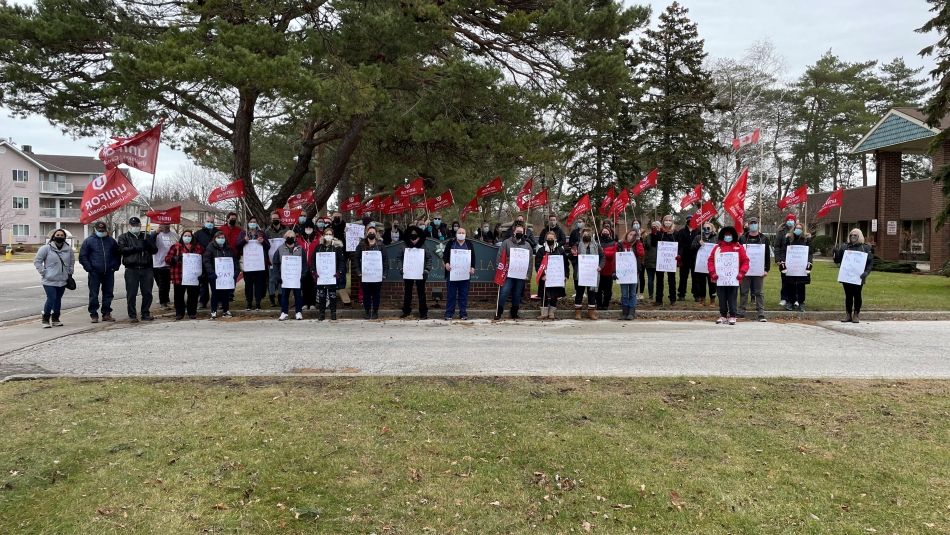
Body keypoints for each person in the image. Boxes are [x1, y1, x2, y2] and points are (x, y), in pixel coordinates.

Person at [117, 216, 158, 322]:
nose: (135, 227)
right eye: (133, 225)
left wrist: (147, 244)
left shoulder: (146, 236)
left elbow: (155, 250)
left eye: (137, 225)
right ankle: (132, 315)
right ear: (129, 226)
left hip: (146, 268)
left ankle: (145, 313)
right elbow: (121, 250)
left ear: (140, 226)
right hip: (132, 269)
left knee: (147, 293)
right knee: (131, 293)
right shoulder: (123, 237)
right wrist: (136, 248)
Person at [707, 226, 750, 325]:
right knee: (721, 297)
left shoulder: (738, 247)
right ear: (722, 236)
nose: (728, 236)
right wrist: (712, 273)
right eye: (726, 235)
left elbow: (745, 261)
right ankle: (722, 315)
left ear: (733, 236)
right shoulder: (717, 248)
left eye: (730, 235)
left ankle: (732, 316)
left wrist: (741, 273)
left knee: (732, 297)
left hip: (734, 279)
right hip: (720, 278)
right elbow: (710, 260)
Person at [79, 221, 120, 323]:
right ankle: (94, 314)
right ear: (95, 229)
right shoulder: (88, 241)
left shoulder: (111, 241)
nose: (101, 231)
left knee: (108, 294)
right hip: (94, 272)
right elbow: (83, 256)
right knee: (94, 294)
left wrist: (115, 266)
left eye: (103, 230)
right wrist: (89, 268)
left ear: (106, 230)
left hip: (109, 272)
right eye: (99, 230)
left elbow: (117, 255)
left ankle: (106, 313)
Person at [33, 228, 74, 328]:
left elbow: (72, 262)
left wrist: (70, 272)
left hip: (62, 280)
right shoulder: (46, 248)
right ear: (53, 236)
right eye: (58, 235)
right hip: (49, 280)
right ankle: (45, 319)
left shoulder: (68, 249)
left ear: (65, 237)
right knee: (51, 298)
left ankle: (56, 318)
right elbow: (37, 261)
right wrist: (44, 272)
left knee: (58, 299)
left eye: (62, 235)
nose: (59, 237)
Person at [495, 221, 534, 320]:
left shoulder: (527, 245)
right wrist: (500, 269)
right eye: (518, 231)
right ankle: (499, 312)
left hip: (521, 275)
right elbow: (500, 257)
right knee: (504, 292)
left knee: (517, 294)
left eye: (521, 231)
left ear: (524, 232)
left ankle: (514, 313)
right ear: (514, 231)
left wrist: (528, 275)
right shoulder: (506, 242)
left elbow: (530, 262)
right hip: (508, 273)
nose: (519, 233)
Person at [833, 228, 874, 323]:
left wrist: (866, 272)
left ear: (859, 236)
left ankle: (856, 314)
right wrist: (835, 252)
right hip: (847, 276)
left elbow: (870, 262)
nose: (853, 237)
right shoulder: (844, 247)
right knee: (848, 295)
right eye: (851, 235)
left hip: (859, 277)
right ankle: (848, 314)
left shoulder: (865, 248)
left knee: (857, 295)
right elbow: (837, 260)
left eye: (855, 235)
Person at [165, 230, 204, 320]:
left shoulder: (197, 247)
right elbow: (167, 259)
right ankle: (179, 313)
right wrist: (174, 259)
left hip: (193, 276)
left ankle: (192, 312)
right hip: (179, 275)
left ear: (192, 237)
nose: (187, 237)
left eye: (189, 236)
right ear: (182, 237)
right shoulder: (176, 247)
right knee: (178, 296)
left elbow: (202, 259)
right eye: (185, 235)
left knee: (193, 295)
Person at [738, 217, 771, 322]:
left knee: (759, 292)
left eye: (755, 223)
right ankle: (741, 311)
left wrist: (766, 269)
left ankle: (761, 313)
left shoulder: (764, 238)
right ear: (748, 225)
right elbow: (738, 254)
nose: (753, 225)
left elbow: (767, 256)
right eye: (751, 223)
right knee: (744, 291)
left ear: (758, 224)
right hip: (745, 270)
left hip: (758, 270)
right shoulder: (743, 238)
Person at [776, 222, 812, 312]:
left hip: (802, 266)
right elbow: (784, 250)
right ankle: (790, 302)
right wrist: (782, 262)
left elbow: (810, 253)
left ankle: (801, 302)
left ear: (803, 230)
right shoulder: (789, 239)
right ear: (794, 229)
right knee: (790, 284)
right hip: (791, 265)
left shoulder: (806, 240)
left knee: (801, 285)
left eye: (800, 228)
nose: (798, 230)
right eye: (797, 228)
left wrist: (809, 263)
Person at [354, 224, 388, 319]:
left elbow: (385, 260)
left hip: (377, 275)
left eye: (373, 232)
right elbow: (356, 259)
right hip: (365, 275)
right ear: (366, 233)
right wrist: (358, 272)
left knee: (376, 294)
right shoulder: (361, 245)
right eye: (370, 232)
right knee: (366, 294)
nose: (371, 234)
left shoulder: (381, 245)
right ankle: (367, 311)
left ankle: (375, 311)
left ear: (376, 234)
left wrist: (384, 274)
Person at [399, 226, 433, 319]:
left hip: (420, 273)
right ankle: (406, 311)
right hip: (408, 273)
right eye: (412, 234)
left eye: (415, 234)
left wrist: (427, 269)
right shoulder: (404, 245)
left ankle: (423, 312)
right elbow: (399, 258)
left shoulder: (423, 245)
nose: (413, 236)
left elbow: (429, 258)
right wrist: (401, 269)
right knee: (407, 293)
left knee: (421, 293)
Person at [442, 226, 476, 320]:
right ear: (456, 234)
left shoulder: (469, 244)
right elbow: (445, 255)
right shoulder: (451, 243)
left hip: (464, 274)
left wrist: (472, 267)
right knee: (451, 294)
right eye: (459, 232)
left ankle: (463, 313)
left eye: (463, 233)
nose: (461, 234)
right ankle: (449, 313)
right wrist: (447, 263)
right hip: (452, 273)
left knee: (463, 295)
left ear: (465, 234)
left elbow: (473, 257)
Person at [536, 229, 570, 320]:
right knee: (544, 295)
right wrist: (542, 275)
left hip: (556, 277)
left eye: (552, 238)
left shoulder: (560, 251)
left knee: (555, 295)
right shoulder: (541, 250)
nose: (550, 240)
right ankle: (544, 313)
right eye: (548, 238)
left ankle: (551, 313)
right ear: (545, 239)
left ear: (555, 239)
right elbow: (538, 264)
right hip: (545, 277)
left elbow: (566, 264)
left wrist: (566, 275)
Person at [572, 226, 604, 319]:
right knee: (579, 293)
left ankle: (591, 313)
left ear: (591, 235)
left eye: (588, 234)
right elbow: (571, 257)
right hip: (580, 273)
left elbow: (602, 257)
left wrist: (600, 266)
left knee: (592, 293)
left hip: (592, 274)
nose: (586, 235)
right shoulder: (577, 245)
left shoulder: (596, 245)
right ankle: (578, 313)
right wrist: (573, 255)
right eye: (585, 234)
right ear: (582, 235)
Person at [312, 227, 345, 321]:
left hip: (332, 276)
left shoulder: (337, 247)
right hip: (321, 276)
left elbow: (341, 261)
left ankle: (333, 313)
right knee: (321, 294)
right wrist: (314, 271)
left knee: (332, 295)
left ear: (333, 236)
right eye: (327, 234)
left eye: (330, 234)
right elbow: (313, 259)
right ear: (323, 235)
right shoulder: (319, 247)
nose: (328, 236)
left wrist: (339, 271)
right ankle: (321, 313)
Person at [203, 230, 236, 319]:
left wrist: (235, 272)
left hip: (226, 275)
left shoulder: (228, 248)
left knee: (226, 293)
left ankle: (226, 310)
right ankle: (213, 311)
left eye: (223, 238)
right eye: (219, 238)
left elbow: (234, 260)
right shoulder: (210, 247)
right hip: (215, 275)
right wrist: (211, 272)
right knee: (215, 293)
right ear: (215, 238)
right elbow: (206, 260)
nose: (221, 239)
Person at [274, 230, 305, 321]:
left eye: (292, 236)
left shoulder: (300, 248)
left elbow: (304, 263)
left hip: (296, 277)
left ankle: (298, 312)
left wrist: (303, 274)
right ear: (285, 238)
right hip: (285, 278)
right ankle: (284, 312)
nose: (290, 238)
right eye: (288, 236)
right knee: (284, 295)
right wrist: (277, 275)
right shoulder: (280, 249)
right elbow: (275, 263)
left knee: (298, 295)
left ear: (295, 238)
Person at [242, 217, 271, 310]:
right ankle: (249, 303)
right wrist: (243, 241)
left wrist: (263, 242)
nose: (252, 223)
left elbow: (268, 246)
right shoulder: (244, 233)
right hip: (248, 264)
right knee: (248, 285)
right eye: (251, 222)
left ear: (257, 223)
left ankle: (258, 303)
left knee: (259, 285)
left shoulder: (261, 233)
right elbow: (238, 245)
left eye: (254, 222)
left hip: (259, 264)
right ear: (248, 223)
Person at [650, 215, 678, 306]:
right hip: (661, 260)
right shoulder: (659, 232)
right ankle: (658, 300)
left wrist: (679, 255)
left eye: (670, 220)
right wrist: (654, 234)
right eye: (666, 220)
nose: (668, 221)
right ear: (663, 221)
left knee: (672, 280)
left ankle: (673, 299)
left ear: (672, 222)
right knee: (659, 280)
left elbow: (678, 244)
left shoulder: (675, 233)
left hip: (671, 260)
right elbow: (653, 244)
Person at [618, 229, 645, 320]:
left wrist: (638, 242)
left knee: (632, 293)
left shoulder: (637, 244)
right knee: (624, 293)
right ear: (627, 235)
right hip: (623, 273)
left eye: (634, 235)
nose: (631, 236)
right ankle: (625, 312)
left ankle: (631, 312)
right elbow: (616, 258)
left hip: (634, 272)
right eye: (630, 234)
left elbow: (641, 253)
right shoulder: (620, 244)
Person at [150, 223, 178, 309]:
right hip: (158, 264)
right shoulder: (156, 235)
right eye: (163, 224)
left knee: (167, 284)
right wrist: (156, 232)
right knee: (162, 285)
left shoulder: (175, 235)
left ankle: (166, 300)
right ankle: (163, 302)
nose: (165, 226)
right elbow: (149, 242)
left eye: (167, 224)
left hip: (171, 263)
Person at [193, 214, 217, 309]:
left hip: (215, 262)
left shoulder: (218, 233)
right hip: (202, 262)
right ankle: (203, 301)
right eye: (208, 222)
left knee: (216, 282)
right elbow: (194, 246)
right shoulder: (198, 233)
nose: (210, 223)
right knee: (203, 283)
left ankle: (218, 301)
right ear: (204, 222)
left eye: (211, 222)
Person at [690, 223, 717, 306]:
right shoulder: (698, 237)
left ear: (712, 228)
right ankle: (702, 299)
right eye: (704, 228)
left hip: (712, 265)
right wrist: (699, 244)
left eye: (708, 228)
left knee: (712, 283)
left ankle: (712, 300)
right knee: (701, 283)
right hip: (701, 264)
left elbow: (720, 248)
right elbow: (692, 248)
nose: (706, 229)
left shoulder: (716, 238)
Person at [775, 213, 798, 307]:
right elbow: (777, 246)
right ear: (786, 221)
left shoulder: (797, 230)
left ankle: (795, 299)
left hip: (795, 259)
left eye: (792, 220)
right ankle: (784, 298)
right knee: (784, 279)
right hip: (784, 258)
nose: (790, 221)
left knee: (796, 280)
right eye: (789, 220)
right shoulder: (781, 231)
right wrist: (778, 259)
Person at [297, 221, 320, 310]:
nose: (308, 229)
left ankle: (312, 303)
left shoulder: (317, 239)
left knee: (313, 285)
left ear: (313, 229)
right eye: (307, 228)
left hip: (314, 265)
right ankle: (305, 303)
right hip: (303, 266)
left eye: (310, 228)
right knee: (304, 285)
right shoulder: (299, 239)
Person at [265, 213, 286, 306]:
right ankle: (272, 298)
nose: (275, 220)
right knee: (272, 279)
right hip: (271, 258)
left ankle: (281, 297)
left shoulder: (286, 230)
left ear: (280, 219)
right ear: (271, 220)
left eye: (277, 218)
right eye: (273, 218)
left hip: (283, 258)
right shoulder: (267, 231)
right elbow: (265, 245)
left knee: (282, 278)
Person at [676, 216, 698, 302]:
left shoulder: (698, 231)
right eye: (689, 220)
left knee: (695, 277)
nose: (690, 222)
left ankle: (696, 294)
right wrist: (679, 254)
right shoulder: (681, 232)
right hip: (684, 257)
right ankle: (681, 294)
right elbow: (679, 244)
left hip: (695, 257)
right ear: (686, 221)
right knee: (683, 277)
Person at [596, 226, 618, 311]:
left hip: (608, 270)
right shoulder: (597, 243)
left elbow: (613, 255)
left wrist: (603, 252)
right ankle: (598, 304)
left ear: (610, 233)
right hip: (598, 270)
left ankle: (605, 304)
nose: (605, 233)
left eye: (606, 232)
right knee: (598, 289)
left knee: (607, 290)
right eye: (603, 232)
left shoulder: (614, 243)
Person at [641, 226, 656, 302]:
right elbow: (645, 246)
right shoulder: (647, 237)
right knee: (650, 279)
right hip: (650, 261)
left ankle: (654, 295)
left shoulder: (648, 237)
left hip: (658, 261)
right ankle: (651, 295)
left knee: (656, 280)